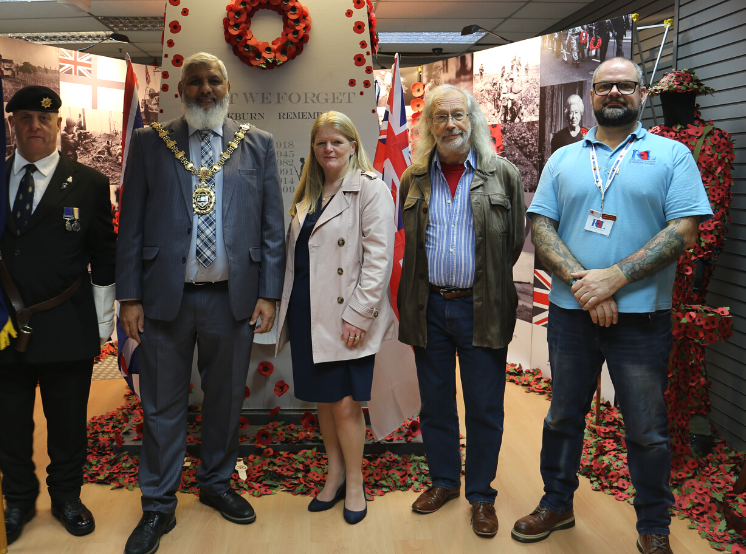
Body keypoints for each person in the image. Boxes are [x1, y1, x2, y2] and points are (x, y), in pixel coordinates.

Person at [514, 58, 712, 554]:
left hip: (643, 320)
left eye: (625, 85)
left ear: (642, 94)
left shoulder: (672, 156)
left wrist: (616, 278)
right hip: (571, 316)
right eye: (605, 86)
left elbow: (685, 229)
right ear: (592, 93)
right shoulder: (563, 158)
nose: (614, 93)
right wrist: (588, 285)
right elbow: (541, 226)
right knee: (562, 416)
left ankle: (653, 528)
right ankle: (556, 504)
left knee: (646, 428)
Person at [117, 52, 284, 554]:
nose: (205, 90)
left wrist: (269, 292)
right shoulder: (151, 143)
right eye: (195, 82)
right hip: (164, 300)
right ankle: (158, 507)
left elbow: (272, 227)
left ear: (228, 86)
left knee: (225, 402)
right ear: (180, 89)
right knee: (161, 406)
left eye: (214, 81)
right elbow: (132, 225)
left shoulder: (257, 144)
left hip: (231, 301)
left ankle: (215, 486)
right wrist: (129, 295)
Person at [0, 85, 117, 548]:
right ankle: (19, 500)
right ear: (12, 125)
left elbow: (104, 254)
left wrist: (105, 319)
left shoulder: (88, 182)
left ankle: (66, 497)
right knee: (9, 425)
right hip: (1, 325)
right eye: (24, 118)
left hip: (67, 324)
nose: (35, 126)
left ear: (60, 124)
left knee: (67, 424)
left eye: (45, 119)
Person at [396, 84, 526, 538]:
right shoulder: (414, 178)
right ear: (428, 126)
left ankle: (482, 496)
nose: (450, 124)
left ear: (472, 120)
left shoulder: (503, 174)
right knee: (435, 403)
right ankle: (444, 482)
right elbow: (409, 245)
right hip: (427, 305)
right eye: (440, 116)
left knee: (484, 406)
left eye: (458, 115)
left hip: (481, 308)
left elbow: (510, 245)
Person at [274, 111, 396, 525]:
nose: (329, 149)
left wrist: (359, 314)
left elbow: (379, 260)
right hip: (308, 312)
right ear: (314, 147)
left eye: (337, 142)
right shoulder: (308, 192)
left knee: (345, 404)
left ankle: (356, 482)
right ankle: (335, 474)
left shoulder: (371, 189)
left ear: (353, 146)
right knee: (325, 402)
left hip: (346, 314)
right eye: (322, 142)